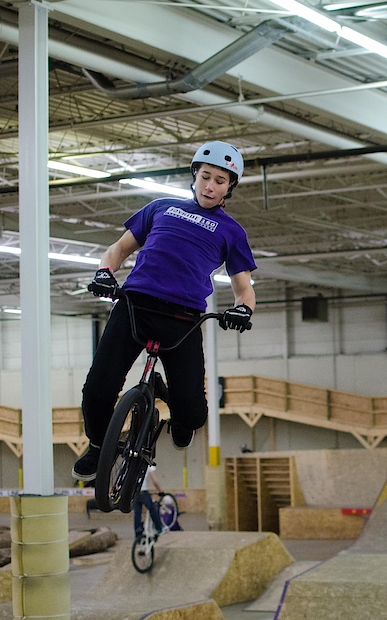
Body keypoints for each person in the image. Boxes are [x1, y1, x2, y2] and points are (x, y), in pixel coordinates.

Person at [73, 140, 257, 482]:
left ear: (229, 186)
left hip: (183, 321)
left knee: (193, 414)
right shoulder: (161, 207)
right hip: (133, 307)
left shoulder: (232, 231)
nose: (210, 185)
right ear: (194, 175)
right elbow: (118, 248)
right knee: (96, 392)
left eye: (219, 180)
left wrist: (242, 310)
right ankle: (99, 446)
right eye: (205, 176)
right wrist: (104, 272)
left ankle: (171, 402)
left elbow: (244, 289)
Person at [133, 465, 164, 540]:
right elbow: (155, 481)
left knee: (137, 513)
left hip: (133, 492)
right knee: (152, 509)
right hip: (143, 491)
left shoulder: (132, 462)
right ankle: (159, 528)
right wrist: (160, 490)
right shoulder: (148, 464)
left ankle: (138, 533)